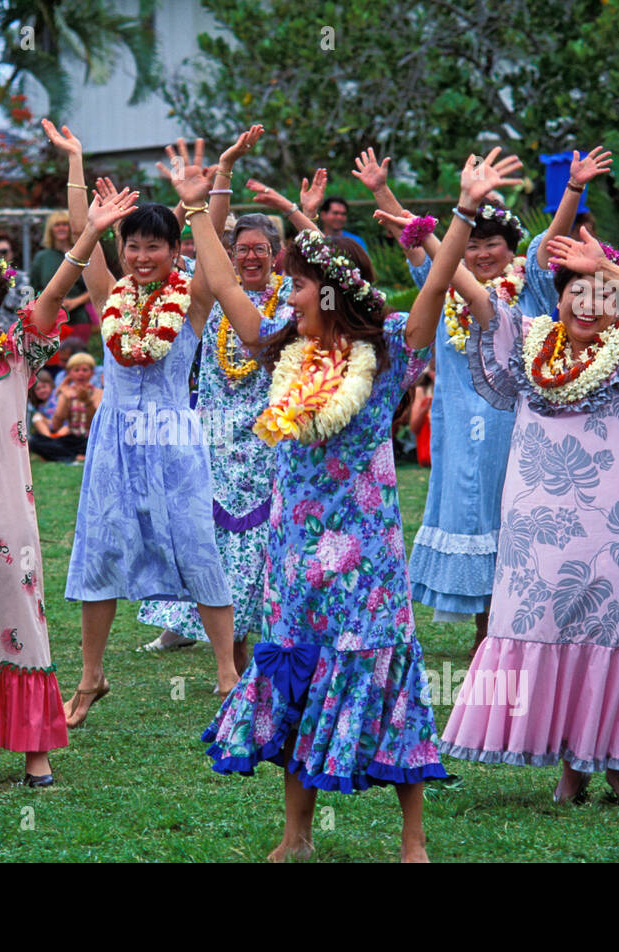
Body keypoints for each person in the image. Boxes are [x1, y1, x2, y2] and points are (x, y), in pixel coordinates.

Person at [174, 137, 447, 862]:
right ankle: (295, 835)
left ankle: (412, 839)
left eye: (297, 286)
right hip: (295, 556)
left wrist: (462, 217)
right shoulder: (279, 352)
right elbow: (227, 287)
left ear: (329, 293)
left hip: (370, 562)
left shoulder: (386, 356)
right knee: (296, 677)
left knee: (383, 677)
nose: (285, 296)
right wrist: (198, 207)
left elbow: (434, 293)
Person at [424, 150, 619, 806]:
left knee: (603, 632)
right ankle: (572, 766)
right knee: (538, 625)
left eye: (600, 296)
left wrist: (607, 267)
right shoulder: (523, 340)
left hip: (604, 520)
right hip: (531, 522)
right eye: (577, 292)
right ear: (561, 297)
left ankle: (610, 766)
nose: (587, 304)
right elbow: (458, 284)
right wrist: (459, 214)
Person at [0, 191, 135, 786]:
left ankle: (35, 750)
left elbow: (59, 291)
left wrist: (87, 235)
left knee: (15, 612)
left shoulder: (16, 353)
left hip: (4, 516)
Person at [42, 119, 239, 725]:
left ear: (175, 251)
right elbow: (82, 233)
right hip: (115, 438)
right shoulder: (110, 295)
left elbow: (216, 242)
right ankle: (90, 677)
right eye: (133, 245)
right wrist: (76, 161)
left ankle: (228, 671)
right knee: (99, 547)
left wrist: (210, 187)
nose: (143, 255)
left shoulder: (195, 295)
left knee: (197, 545)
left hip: (175, 439)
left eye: (156, 246)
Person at [385, 146, 609, 650]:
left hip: (520, 424)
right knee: (473, 518)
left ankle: (514, 631)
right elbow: (417, 239)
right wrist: (381, 188)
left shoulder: (528, 288)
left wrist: (572, 190)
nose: (483, 254)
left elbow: (552, 241)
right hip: (457, 427)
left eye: (494, 245)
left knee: (514, 521)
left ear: (512, 251)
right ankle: (487, 634)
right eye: (473, 246)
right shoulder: (443, 289)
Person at [137, 128, 320, 661]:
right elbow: (202, 233)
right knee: (209, 531)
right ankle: (202, 630)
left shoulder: (292, 301)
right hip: (213, 428)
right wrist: (222, 175)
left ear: (278, 256)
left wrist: (297, 209)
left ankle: (258, 636)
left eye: (262, 250)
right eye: (242, 250)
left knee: (262, 538)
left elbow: (329, 267)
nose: (251, 258)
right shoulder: (212, 288)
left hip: (266, 431)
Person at [30, 209, 94, 336]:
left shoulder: (81, 253)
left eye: (65, 224)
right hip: (49, 321)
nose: (61, 228)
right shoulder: (42, 258)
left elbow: (94, 287)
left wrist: (75, 302)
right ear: (51, 230)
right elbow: (33, 289)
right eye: (57, 225)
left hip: (77, 318)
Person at [48, 351, 101, 460]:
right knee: (37, 441)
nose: (80, 373)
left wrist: (87, 401)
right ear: (70, 373)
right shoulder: (66, 393)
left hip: (91, 438)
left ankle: (72, 455)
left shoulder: (99, 393)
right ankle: (78, 456)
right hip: (71, 439)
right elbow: (56, 426)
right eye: (76, 370)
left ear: (92, 373)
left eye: (85, 370)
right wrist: (64, 399)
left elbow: (97, 422)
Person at [0, 232, 34, 324]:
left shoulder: (22, 278)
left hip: (13, 330)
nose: (0, 255)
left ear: (11, 253)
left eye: (4, 251)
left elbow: (27, 307)